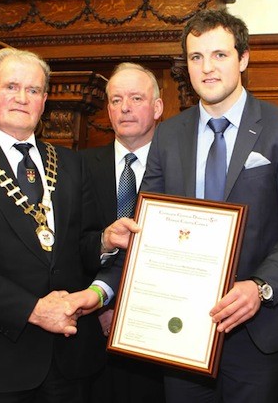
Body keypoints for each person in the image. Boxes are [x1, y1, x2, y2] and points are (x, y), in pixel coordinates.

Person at [141, 8, 278, 403]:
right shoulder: (167, 134)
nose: (207, 68)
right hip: (180, 327)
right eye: (195, 57)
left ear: (243, 59)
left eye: (219, 55)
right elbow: (149, 220)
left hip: (254, 330)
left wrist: (260, 287)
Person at [0, 47, 135, 402]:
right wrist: (33, 310)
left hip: (70, 361)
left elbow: (78, 247)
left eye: (33, 90)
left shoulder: (70, 163)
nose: (22, 98)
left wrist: (104, 241)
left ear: (45, 100)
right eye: (11, 87)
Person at [82, 62, 165, 402]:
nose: (125, 108)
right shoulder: (79, 166)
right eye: (116, 100)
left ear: (157, 107)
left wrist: (132, 308)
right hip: (89, 334)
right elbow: (67, 245)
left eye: (135, 98)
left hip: (158, 332)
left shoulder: (180, 168)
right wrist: (102, 307)